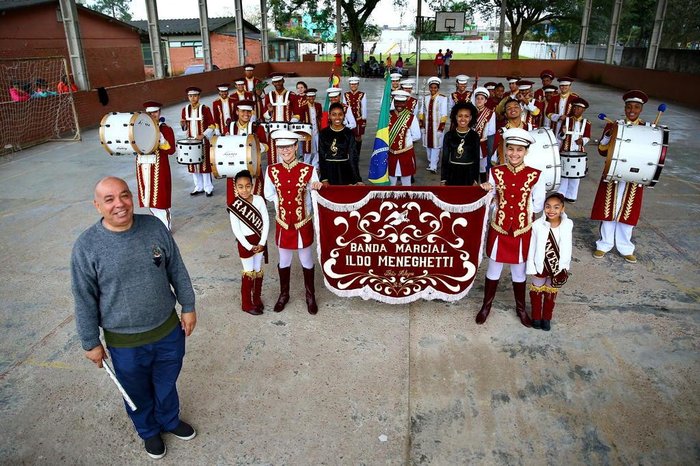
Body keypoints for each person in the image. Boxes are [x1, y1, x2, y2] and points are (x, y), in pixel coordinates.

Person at [71, 177, 197, 460]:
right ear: (97, 206)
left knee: (166, 381)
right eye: (110, 199)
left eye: (124, 196)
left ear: (132, 197)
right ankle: (149, 431)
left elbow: (177, 268)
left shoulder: (154, 227)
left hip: (167, 331)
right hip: (125, 342)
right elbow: (83, 297)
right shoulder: (86, 247)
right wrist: (90, 341)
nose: (119, 204)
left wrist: (188, 305)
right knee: (136, 391)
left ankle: (169, 419)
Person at [476, 128, 545, 327]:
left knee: (519, 271)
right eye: (511, 149)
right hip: (500, 228)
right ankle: (486, 306)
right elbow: (489, 201)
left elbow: (538, 205)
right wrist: (488, 192)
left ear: (526, 152)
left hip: (522, 231)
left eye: (520, 150)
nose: (514, 154)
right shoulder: (495, 172)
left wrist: (522, 212)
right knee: (494, 268)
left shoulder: (535, 175)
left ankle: (520, 309)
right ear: (505, 150)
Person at [263, 130, 323, 314]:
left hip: (301, 222)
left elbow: (315, 195)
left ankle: (310, 295)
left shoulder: (309, 170)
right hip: (283, 223)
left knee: (306, 259)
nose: (285, 150)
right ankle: (284, 294)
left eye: (289, 146)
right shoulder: (271, 170)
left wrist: (316, 188)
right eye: (281, 147)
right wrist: (280, 202)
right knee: (284, 260)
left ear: (296, 147)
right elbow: (268, 193)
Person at [591, 90, 650, 264]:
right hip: (613, 171)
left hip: (634, 175)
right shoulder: (613, 125)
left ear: (641, 110)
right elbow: (602, 151)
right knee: (609, 208)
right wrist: (608, 136)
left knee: (628, 211)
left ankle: (626, 248)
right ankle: (604, 244)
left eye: (636, 107)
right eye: (629, 106)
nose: (632, 110)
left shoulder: (646, 129)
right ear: (624, 108)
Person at [526, 192, 573, 331]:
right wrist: (531, 267)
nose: (551, 210)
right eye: (548, 206)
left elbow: (568, 246)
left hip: (557, 267)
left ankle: (547, 318)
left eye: (556, 207)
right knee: (536, 293)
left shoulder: (568, 224)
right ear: (544, 208)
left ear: (562, 209)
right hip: (540, 265)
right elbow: (531, 248)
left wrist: (565, 267)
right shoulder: (537, 225)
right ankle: (536, 317)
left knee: (551, 293)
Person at [228, 169, 269, 315]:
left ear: (252, 186)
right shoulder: (234, 205)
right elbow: (236, 230)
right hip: (245, 243)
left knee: (258, 270)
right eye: (240, 186)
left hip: (259, 241)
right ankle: (246, 303)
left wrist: (262, 242)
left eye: (247, 186)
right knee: (248, 271)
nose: (244, 190)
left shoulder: (259, 200)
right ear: (236, 187)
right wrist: (249, 246)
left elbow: (266, 221)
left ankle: (256, 299)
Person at [136, 101, 177, 230]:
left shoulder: (166, 129)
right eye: (150, 113)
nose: (153, 115)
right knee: (149, 197)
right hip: (144, 166)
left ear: (159, 113)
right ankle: (157, 223)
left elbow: (171, 150)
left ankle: (166, 227)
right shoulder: (139, 128)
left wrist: (161, 138)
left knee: (161, 196)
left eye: (155, 112)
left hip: (160, 167)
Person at [226, 100, 268, 204]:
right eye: (243, 111)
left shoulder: (257, 128)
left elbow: (266, 146)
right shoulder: (230, 127)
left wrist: (255, 145)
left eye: (249, 112)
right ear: (237, 112)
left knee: (255, 195)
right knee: (235, 196)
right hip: (234, 167)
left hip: (252, 167)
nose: (246, 114)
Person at [180, 86, 216, 197]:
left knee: (204, 165)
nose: (192, 98)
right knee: (193, 164)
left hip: (203, 141)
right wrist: (183, 125)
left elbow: (212, 125)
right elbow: (185, 127)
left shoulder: (205, 109)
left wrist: (203, 135)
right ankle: (198, 186)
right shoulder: (185, 110)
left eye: (195, 96)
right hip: (191, 141)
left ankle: (208, 187)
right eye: (190, 96)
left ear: (199, 96)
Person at [318, 102, 362, 186]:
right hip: (329, 171)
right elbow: (322, 156)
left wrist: (357, 178)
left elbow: (353, 156)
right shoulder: (324, 133)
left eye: (340, 114)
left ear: (344, 116)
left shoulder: (348, 133)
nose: (337, 117)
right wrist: (324, 178)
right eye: (334, 114)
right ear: (329, 116)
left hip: (345, 171)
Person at [557, 96, 591, 203]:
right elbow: (560, 136)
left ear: (583, 110)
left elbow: (587, 136)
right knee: (564, 173)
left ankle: (571, 195)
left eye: (579, 108)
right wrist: (563, 132)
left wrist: (583, 140)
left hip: (578, 152)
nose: (576, 110)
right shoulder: (567, 120)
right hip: (566, 150)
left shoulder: (587, 123)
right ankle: (561, 193)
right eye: (575, 108)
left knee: (576, 175)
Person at [440, 101, 480, 186]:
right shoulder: (449, 135)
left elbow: (476, 159)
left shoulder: (474, 136)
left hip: (468, 174)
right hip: (452, 173)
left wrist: (475, 179)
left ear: (470, 118)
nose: (463, 119)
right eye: (460, 116)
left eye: (466, 116)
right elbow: (445, 159)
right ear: (455, 117)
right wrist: (443, 179)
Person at [388, 90, 421, 186]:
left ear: (406, 103)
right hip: (390, 153)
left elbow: (416, 136)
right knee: (391, 181)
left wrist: (404, 140)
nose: (399, 105)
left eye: (402, 102)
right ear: (393, 102)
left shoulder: (411, 117)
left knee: (406, 181)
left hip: (405, 153)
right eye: (397, 102)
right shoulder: (388, 115)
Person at [419, 77, 449, 174]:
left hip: (437, 127)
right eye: (431, 87)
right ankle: (431, 162)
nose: (433, 89)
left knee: (436, 146)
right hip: (427, 126)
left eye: (435, 87)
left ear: (438, 88)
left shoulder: (442, 98)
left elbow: (444, 115)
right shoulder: (425, 97)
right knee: (428, 146)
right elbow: (421, 113)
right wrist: (422, 126)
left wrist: (441, 129)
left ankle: (433, 166)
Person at [471, 87, 497, 182]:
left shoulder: (490, 113)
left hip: (482, 143)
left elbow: (491, 131)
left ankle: (482, 185)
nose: (479, 100)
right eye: (477, 98)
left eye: (482, 98)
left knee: (482, 167)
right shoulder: (471, 111)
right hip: (470, 143)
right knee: (471, 164)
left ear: (486, 100)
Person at [296, 88, 322, 168]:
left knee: (317, 148)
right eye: (309, 97)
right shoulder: (303, 108)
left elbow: (320, 116)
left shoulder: (318, 105)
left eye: (313, 96)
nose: (311, 98)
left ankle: (316, 165)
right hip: (307, 132)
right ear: (306, 97)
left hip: (317, 130)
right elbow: (300, 120)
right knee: (307, 149)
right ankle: (306, 164)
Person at [343, 77, 367, 154]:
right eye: (352, 84)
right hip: (348, 119)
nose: (353, 86)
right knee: (348, 136)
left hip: (358, 119)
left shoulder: (362, 94)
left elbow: (364, 107)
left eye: (355, 84)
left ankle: (357, 152)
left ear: (358, 85)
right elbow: (344, 107)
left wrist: (363, 119)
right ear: (349, 85)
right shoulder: (345, 94)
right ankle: (349, 152)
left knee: (358, 137)